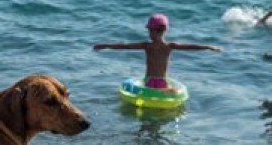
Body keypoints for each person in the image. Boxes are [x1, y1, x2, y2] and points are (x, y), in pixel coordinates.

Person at [93, 14, 222, 90]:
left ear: (152, 31)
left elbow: (125, 46)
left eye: (149, 31)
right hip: (162, 82)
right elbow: (191, 47)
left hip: (149, 81)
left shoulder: (148, 46)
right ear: (165, 31)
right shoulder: (169, 46)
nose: (149, 33)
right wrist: (208, 46)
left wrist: (106, 45)